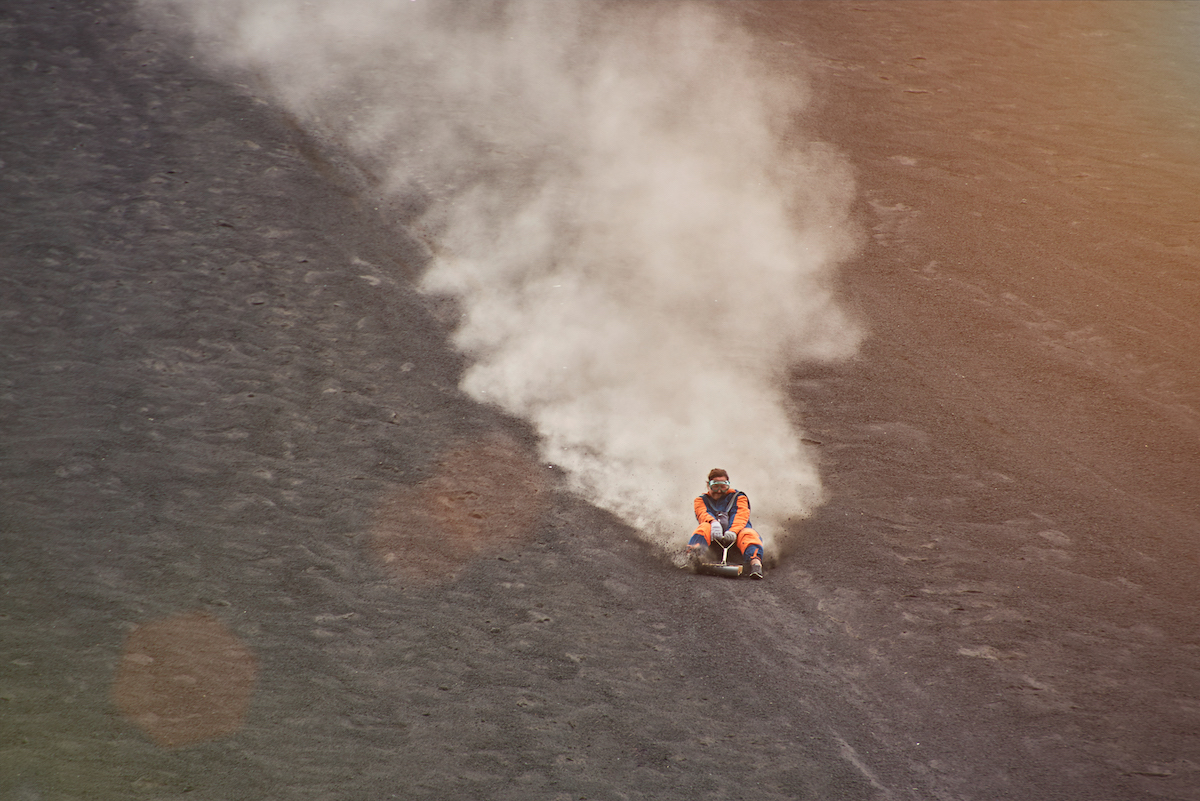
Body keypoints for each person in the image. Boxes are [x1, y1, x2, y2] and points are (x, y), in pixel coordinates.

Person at [687, 468, 764, 579]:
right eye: (715, 486)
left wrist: (732, 531)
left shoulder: (739, 497)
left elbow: (740, 515)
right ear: (708, 486)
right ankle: (692, 557)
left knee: (749, 533)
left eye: (723, 487)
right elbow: (702, 513)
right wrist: (713, 523)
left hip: (735, 539)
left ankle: (755, 564)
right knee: (703, 527)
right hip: (714, 540)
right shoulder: (700, 500)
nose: (719, 491)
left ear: (728, 485)